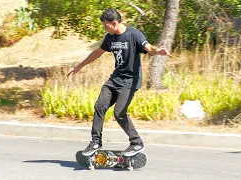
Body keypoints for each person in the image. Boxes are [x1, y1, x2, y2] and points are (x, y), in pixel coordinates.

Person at [67, 8, 171, 157]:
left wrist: (158, 51)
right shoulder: (110, 38)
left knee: (119, 112)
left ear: (114, 23)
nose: (105, 28)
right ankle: (96, 141)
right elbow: (97, 53)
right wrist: (78, 67)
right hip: (115, 79)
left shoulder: (134, 35)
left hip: (130, 81)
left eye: (106, 25)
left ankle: (136, 143)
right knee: (99, 106)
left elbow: (149, 48)